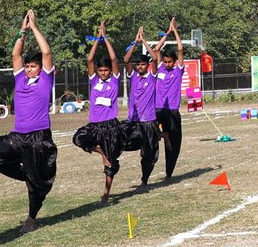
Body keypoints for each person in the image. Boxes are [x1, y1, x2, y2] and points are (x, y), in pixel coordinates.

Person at [0, 10, 58, 232]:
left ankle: (31, 219)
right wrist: (22, 32)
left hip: (39, 137)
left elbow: (47, 52)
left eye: (32, 66)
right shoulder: (20, 79)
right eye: (27, 66)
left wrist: (34, 27)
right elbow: (16, 56)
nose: (28, 69)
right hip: (18, 135)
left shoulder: (45, 79)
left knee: (36, 188)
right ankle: (26, 175)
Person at [72, 21, 126, 202]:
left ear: (110, 71)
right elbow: (89, 60)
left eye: (105, 70)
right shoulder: (94, 81)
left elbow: (114, 59)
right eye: (100, 70)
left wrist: (106, 39)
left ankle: (106, 193)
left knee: (111, 163)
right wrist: (97, 39)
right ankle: (101, 152)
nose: (103, 73)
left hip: (110, 126)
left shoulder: (114, 81)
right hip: (95, 124)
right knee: (78, 138)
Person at [122, 27, 160, 187]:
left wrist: (144, 40)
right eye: (138, 64)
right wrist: (135, 42)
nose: (139, 67)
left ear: (147, 66)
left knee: (149, 154)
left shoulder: (152, 77)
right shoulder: (133, 77)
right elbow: (125, 60)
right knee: (122, 142)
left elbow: (155, 59)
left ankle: (144, 179)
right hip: (134, 121)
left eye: (142, 64)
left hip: (149, 121)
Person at [153, 19, 186, 182]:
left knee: (174, 145)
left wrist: (175, 32)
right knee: (150, 136)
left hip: (172, 112)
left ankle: (169, 173)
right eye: (164, 61)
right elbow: (157, 49)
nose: (166, 64)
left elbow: (180, 49)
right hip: (158, 110)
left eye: (169, 62)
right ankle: (161, 133)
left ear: (174, 62)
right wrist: (167, 32)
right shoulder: (159, 68)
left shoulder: (178, 71)